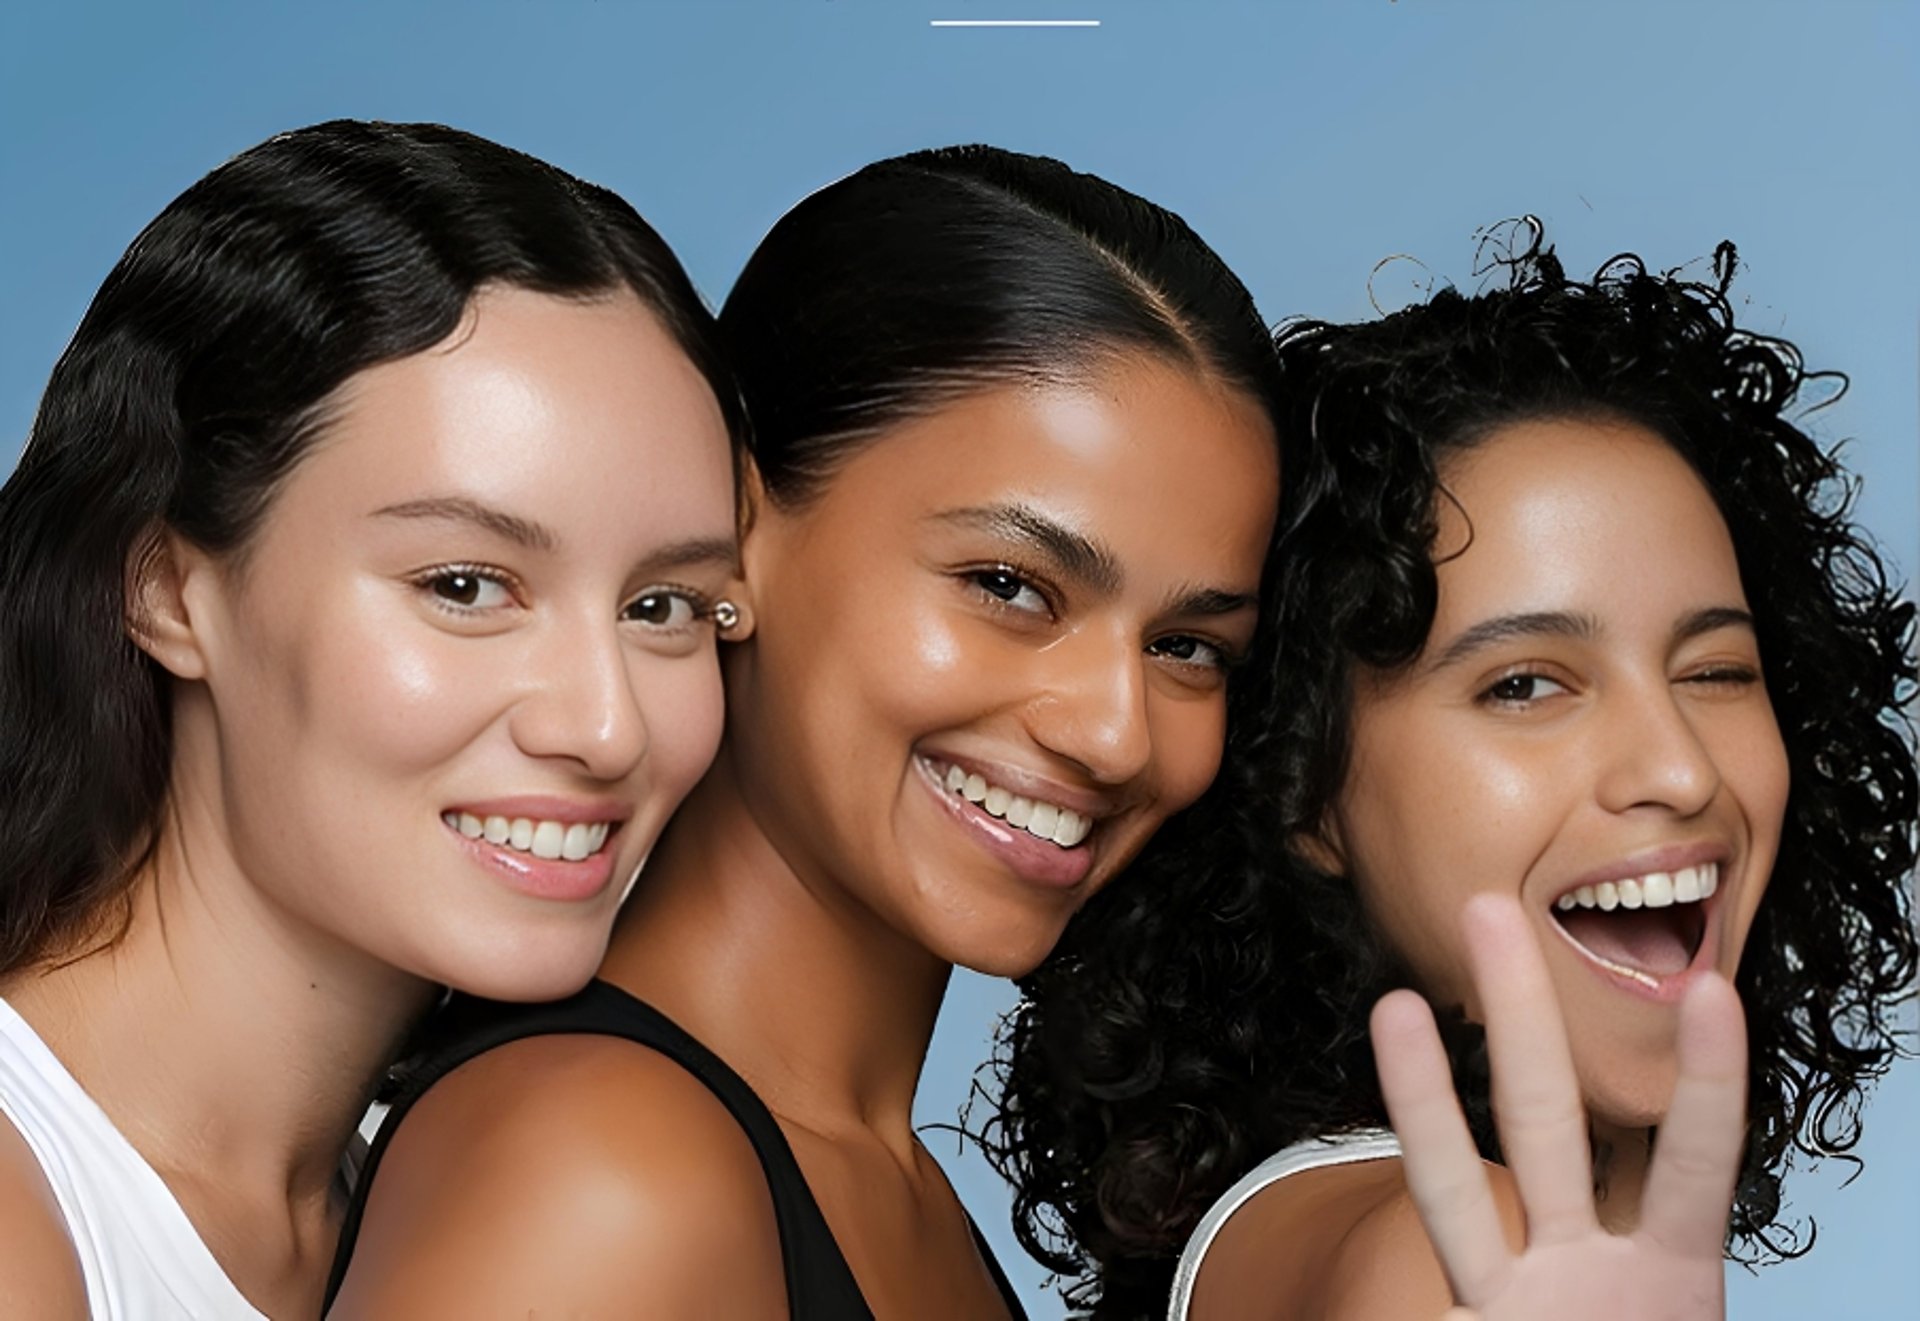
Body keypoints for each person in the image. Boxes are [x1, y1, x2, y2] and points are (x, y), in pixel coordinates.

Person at [325, 145, 1287, 1319]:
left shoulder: (881, 1184)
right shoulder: (599, 1171)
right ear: (733, 536)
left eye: (1188, 648)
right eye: (1010, 583)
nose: (1116, 734)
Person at [986, 221, 1917, 1319]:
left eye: (1716, 670)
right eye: (1524, 684)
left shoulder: (1305, 1226)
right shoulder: (1437, 1254)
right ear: (1303, 784)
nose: (1677, 768)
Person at [0, 119, 747, 1317]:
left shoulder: (432, 1207)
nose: (607, 728)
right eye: (464, 586)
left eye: (663, 606)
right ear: (165, 585)